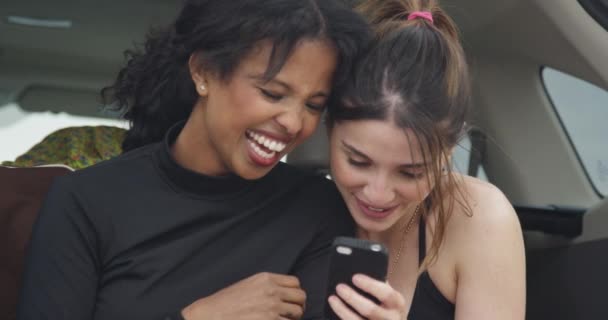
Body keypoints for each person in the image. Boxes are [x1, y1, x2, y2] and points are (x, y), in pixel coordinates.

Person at [16, 1, 371, 319]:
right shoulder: (84, 202)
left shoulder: (319, 211)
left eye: (313, 105)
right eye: (273, 93)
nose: (295, 123)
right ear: (203, 71)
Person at [324, 0, 526, 319]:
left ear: (446, 153)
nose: (378, 193)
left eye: (410, 173)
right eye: (358, 162)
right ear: (328, 129)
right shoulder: (298, 213)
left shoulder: (479, 220)